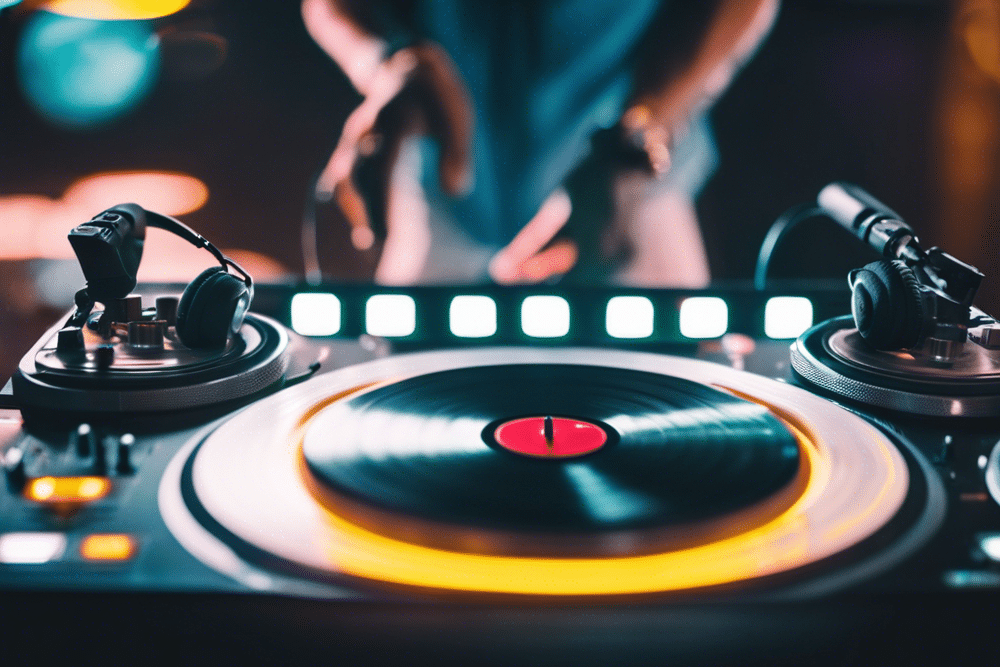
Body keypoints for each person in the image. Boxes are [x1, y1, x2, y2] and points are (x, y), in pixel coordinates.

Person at [302, 0, 779, 285]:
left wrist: (643, 128)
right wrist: (388, 65)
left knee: (690, 429)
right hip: (438, 200)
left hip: (630, 192)